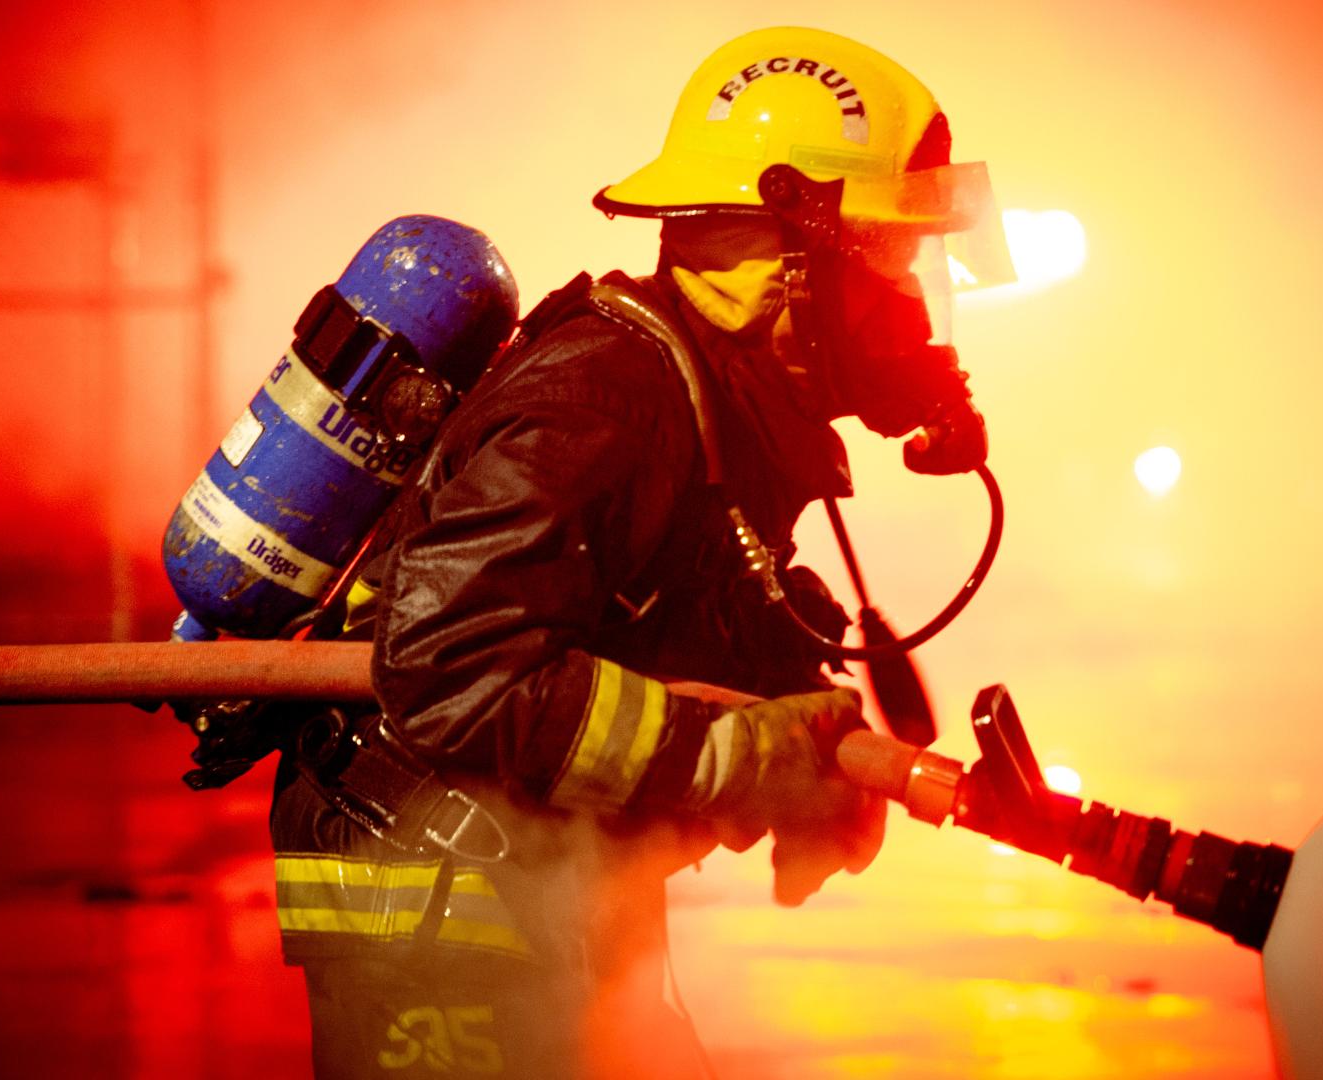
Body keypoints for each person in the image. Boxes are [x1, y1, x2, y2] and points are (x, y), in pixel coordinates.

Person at [267, 26, 1008, 1078]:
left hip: (538, 885)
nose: (912, 310)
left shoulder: (718, 405)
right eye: (888, 263)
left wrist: (803, 739)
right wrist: (730, 762)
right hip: (441, 899)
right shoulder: (605, 397)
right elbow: (450, 665)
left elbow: (662, 615)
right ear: (787, 266)